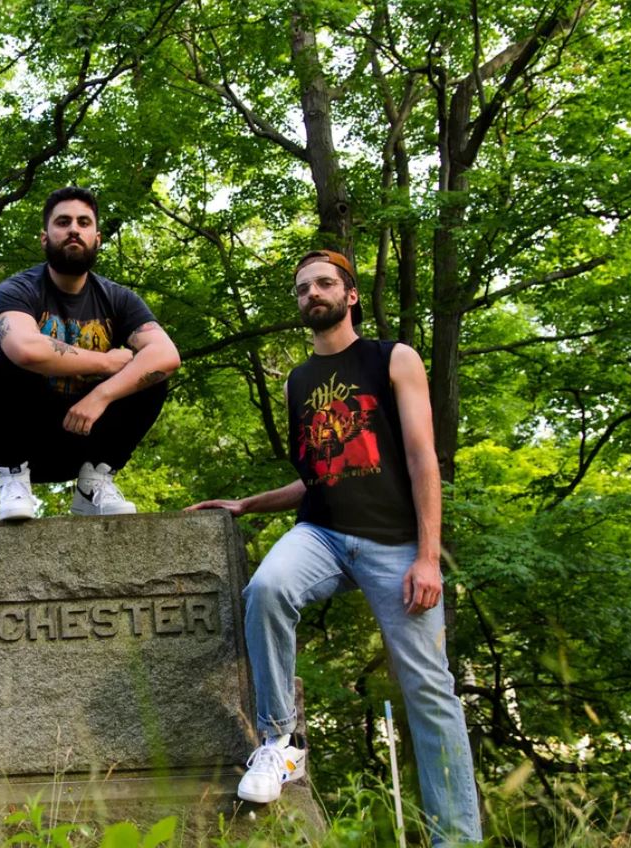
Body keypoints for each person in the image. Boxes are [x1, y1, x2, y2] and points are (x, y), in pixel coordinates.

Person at [188, 250, 482, 845]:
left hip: (395, 542)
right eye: (303, 288)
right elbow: (318, 476)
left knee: (429, 690)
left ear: (350, 295)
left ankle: (456, 838)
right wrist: (247, 504)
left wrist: (428, 557)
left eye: (324, 284)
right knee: (267, 589)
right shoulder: (298, 381)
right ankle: (280, 742)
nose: (312, 294)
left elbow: (421, 457)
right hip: (321, 533)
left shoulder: (393, 358)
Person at [0, 186, 181, 520]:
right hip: (28, 437)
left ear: (97, 238)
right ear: (45, 237)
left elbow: (166, 355)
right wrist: (106, 361)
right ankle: (13, 478)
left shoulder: (119, 299)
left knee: (150, 373)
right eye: (63, 222)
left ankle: (94, 484)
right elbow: (24, 348)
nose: (74, 229)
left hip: (89, 437)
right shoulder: (18, 289)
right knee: (6, 364)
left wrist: (101, 395)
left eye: (83, 222)